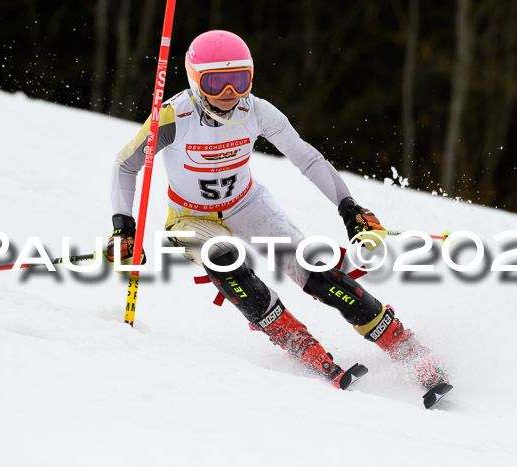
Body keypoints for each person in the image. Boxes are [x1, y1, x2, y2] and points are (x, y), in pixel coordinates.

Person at [107, 30, 448, 392]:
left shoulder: (256, 110)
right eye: (217, 83)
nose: (230, 95)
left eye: (239, 81)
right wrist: (123, 228)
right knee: (228, 264)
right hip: (192, 218)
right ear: (195, 80)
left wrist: (349, 207)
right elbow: (126, 164)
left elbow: (307, 158)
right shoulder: (175, 116)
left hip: (247, 203)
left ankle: (405, 346)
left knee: (315, 271)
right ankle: (298, 342)